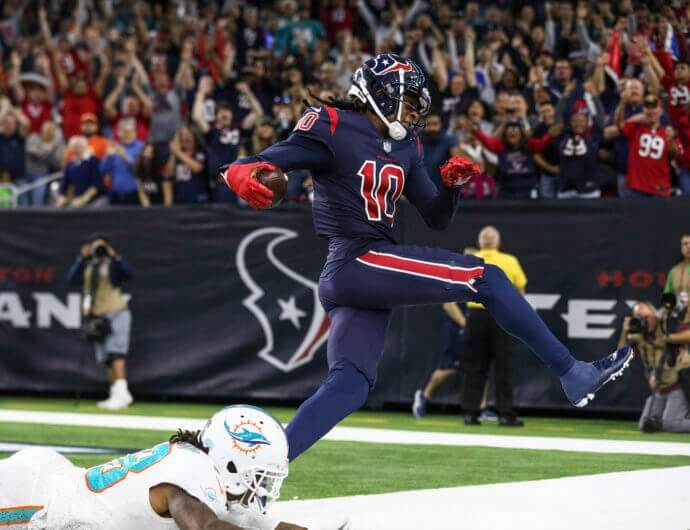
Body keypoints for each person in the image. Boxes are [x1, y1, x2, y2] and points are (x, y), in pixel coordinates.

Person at [221, 53, 633, 462]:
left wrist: (451, 189)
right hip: (356, 258)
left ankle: (262, 470)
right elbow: (265, 161)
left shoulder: (408, 145)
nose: (414, 111)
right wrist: (241, 171)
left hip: (361, 274)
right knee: (485, 277)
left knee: (352, 383)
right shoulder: (331, 124)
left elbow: (435, 217)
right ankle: (573, 372)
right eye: (407, 100)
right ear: (377, 93)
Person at [0, 405, 306, 530]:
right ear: (231, 461)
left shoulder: (200, 467)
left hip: (51, 479)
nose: (260, 487)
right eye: (258, 476)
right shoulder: (193, 475)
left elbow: (266, 526)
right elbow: (207, 528)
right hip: (35, 506)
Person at [461, 226, 526, 427]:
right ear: (497, 243)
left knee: (475, 366)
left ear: (480, 243)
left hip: (477, 315)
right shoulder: (510, 261)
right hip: (502, 316)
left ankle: (470, 412)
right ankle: (505, 414)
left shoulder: (469, 261)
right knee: (503, 366)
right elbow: (520, 293)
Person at [67, 235, 134, 410]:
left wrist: (114, 255)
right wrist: (81, 258)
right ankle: (115, 394)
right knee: (105, 357)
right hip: (97, 315)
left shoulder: (112, 263)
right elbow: (72, 280)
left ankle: (123, 392)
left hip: (116, 311)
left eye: (100, 246)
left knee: (115, 353)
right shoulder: (88, 264)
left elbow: (129, 273)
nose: (97, 250)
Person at [618, 302, 690, 433]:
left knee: (671, 424)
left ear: (654, 314)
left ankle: (675, 417)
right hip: (659, 389)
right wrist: (625, 331)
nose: (645, 321)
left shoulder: (668, 325)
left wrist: (669, 338)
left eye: (647, 317)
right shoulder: (639, 336)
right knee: (645, 426)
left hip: (679, 385)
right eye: (639, 318)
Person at [412, 301, 466, 418]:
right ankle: (424, 395)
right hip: (457, 328)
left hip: (475, 325)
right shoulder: (455, 284)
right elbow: (448, 305)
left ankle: (481, 407)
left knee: (480, 367)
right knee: (449, 367)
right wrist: (465, 325)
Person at [665, 234, 690, 300]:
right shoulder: (674, 272)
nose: (689, 246)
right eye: (685, 244)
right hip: (678, 310)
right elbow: (667, 300)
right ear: (681, 248)